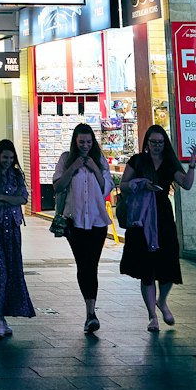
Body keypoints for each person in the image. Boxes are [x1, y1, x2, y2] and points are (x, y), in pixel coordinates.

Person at [119, 124, 196, 331]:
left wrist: (192, 165)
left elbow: (187, 185)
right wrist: (140, 184)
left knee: (168, 264)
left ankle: (162, 301)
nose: (156, 146)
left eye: (160, 143)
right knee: (147, 268)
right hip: (142, 218)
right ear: (147, 142)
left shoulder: (170, 163)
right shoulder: (138, 161)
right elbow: (123, 185)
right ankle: (152, 316)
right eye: (153, 142)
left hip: (162, 216)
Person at [52, 122, 113, 333]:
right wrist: (73, 167)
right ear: (75, 142)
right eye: (81, 142)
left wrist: (95, 168)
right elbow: (57, 186)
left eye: (88, 142)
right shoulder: (65, 158)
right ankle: (90, 312)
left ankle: (91, 312)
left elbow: (106, 188)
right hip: (74, 221)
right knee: (82, 264)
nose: (85, 146)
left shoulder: (100, 160)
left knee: (92, 265)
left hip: (97, 221)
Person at [0, 139, 35, 337]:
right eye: (5, 157)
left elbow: (24, 198)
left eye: (11, 158)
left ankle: (2, 317)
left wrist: (1, 197)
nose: (8, 161)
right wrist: (11, 200)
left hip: (13, 229)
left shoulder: (17, 174)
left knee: (12, 273)